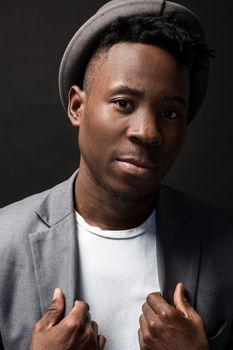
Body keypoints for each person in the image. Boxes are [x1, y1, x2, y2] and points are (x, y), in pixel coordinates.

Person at [0, 0, 233, 349]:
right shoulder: (4, 242)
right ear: (77, 106)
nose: (148, 132)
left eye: (170, 113)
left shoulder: (226, 247)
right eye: (124, 103)